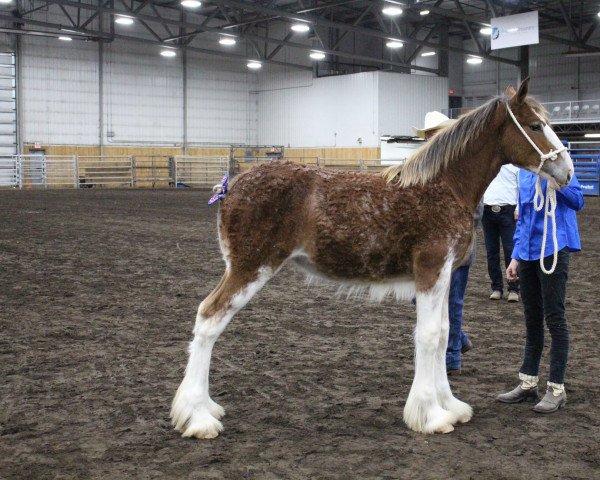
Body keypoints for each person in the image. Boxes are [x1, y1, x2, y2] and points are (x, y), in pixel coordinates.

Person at [497, 170, 583, 413]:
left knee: (555, 318)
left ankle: (556, 388)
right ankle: (528, 382)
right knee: (532, 319)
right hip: (527, 252)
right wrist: (514, 257)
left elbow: (578, 201)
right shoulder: (525, 172)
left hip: (554, 249)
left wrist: (560, 186)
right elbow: (523, 217)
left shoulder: (561, 167)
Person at [414, 112, 480, 375]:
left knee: (453, 301)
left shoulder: (463, 168)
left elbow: (473, 209)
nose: (431, 137)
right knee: (421, 299)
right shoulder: (420, 164)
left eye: (435, 133)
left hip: (455, 248)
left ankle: (452, 356)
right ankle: (459, 339)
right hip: (427, 250)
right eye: (429, 134)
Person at [482, 165, 520, 302]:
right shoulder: (487, 163)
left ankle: (514, 288)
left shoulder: (515, 166)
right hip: (487, 210)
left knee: (510, 251)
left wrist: (518, 208)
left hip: (508, 211)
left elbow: (522, 187)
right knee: (492, 252)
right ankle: (496, 287)